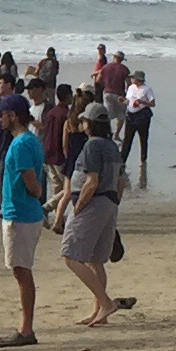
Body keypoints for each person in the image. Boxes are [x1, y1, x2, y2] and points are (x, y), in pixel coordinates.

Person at [59, 111, 130, 321]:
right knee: (95, 260)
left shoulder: (92, 145)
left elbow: (91, 181)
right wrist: (114, 202)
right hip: (109, 202)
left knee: (70, 255)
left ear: (89, 124)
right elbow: (121, 181)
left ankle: (106, 303)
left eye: (83, 121)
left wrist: (79, 206)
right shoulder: (112, 146)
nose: (81, 124)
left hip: (94, 202)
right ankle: (99, 310)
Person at [0, 97, 47, 348]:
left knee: (21, 271)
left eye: (2, 114)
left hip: (20, 213)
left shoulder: (21, 145)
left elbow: (31, 182)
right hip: (21, 211)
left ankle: (26, 328)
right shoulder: (29, 141)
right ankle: (26, 327)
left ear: (13, 115)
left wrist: (35, 191)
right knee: (21, 270)